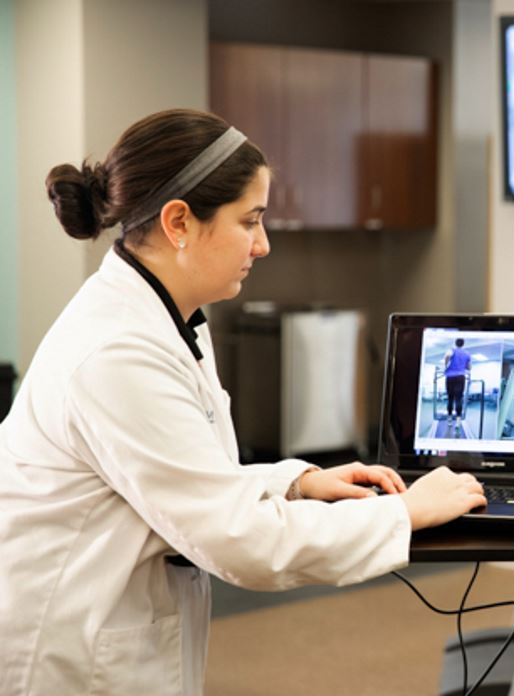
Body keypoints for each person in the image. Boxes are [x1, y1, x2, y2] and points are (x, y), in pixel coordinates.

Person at [0, 109, 487, 696]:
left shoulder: (170, 314)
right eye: (250, 221)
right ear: (179, 221)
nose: (263, 244)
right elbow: (240, 541)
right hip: (64, 652)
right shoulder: (115, 352)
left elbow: (185, 473)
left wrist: (295, 482)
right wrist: (402, 514)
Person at [444, 337, 472, 420]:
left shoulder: (452, 349)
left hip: (450, 377)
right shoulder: (467, 353)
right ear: (463, 344)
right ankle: (458, 421)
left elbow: (447, 356)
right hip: (461, 377)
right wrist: (462, 366)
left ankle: (449, 419)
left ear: (455, 343)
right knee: (458, 399)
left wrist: (446, 366)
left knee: (450, 398)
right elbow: (469, 367)